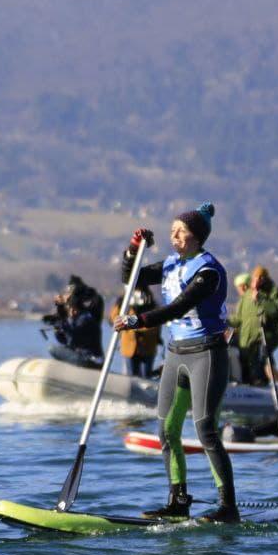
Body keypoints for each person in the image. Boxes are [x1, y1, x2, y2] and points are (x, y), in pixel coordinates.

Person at [116, 203, 239, 523]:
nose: (174, 236)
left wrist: (135, 321)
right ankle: (178, 500)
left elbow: (178, 308)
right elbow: (131, 279)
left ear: (197, 236)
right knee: (166, 429)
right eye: (171, 231)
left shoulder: (208, 271)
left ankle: (227, 506)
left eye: (181, 231)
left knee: (204, 428)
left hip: (206, 353)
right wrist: (133, 249)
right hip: (175, 354)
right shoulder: (171, 264)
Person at [234, 265, 278, 386]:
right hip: (246, 338)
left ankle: (264, 383)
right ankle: (247, 385)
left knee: (261, 363)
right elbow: (238, 318)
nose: (257, 280)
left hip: (262, 337)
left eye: (260, 278)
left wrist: (261, 299)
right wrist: (223, 322)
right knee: (245, 364)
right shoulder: (246, 295)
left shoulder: (272, 292)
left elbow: (276, 311)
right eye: (255, 277)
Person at [44, 275, 104, 361]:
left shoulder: (84, 319)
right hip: (83, 353)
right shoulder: (76, 320)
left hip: (90, 357)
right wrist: (57, 328)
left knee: (52, 348)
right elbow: (64, 341)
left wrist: (62, 323)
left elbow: (72, 339)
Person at [108, 284, 159, 377]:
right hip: (129, 347)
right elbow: (114, 320)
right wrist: (120, 302)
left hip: (147, 348)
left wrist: (132, 325)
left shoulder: (151, 305)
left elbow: (154, 326)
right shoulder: (125, 304)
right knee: (129, 376)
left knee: (146, 378)